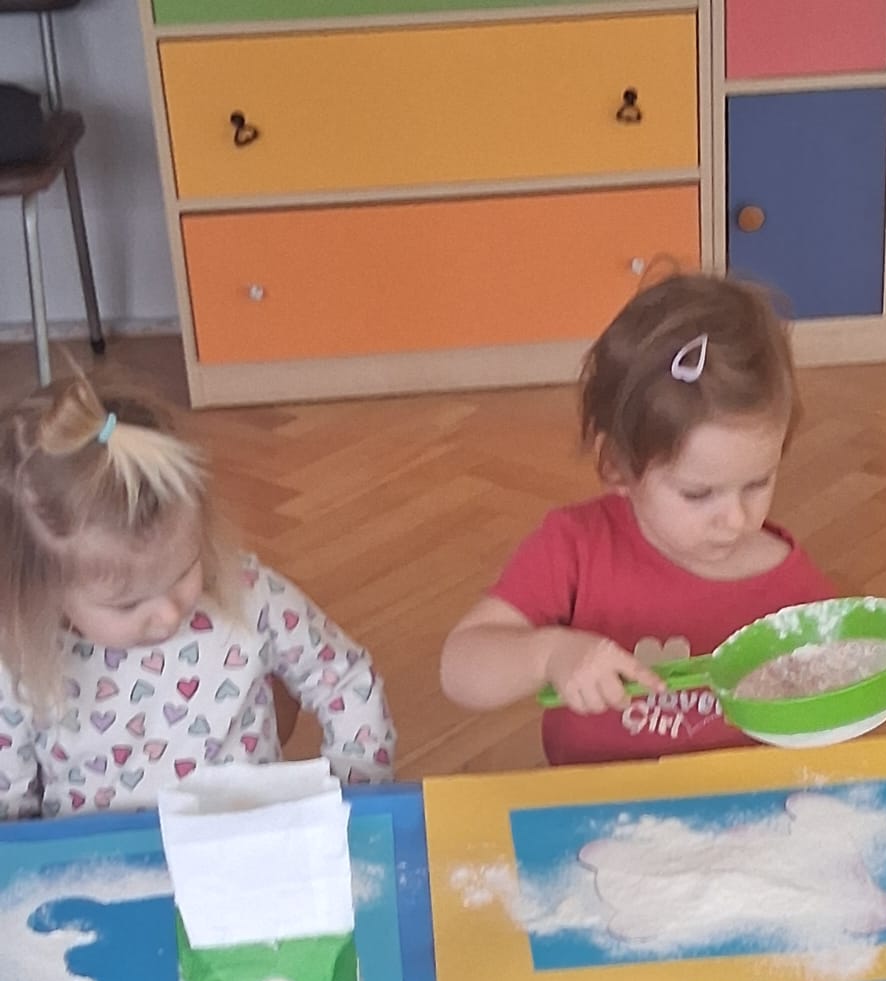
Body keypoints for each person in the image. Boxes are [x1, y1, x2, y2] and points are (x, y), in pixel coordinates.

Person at [440, 271, 836, 765]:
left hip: (741, 801)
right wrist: (549, 655)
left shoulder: (794, 586)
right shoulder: (575, 548)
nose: (736, 519)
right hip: (595, 798)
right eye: (697, 494)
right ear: (617, 467)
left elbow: (830, 717)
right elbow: (461, 667)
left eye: (758, 483)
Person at [0, 374, 395, 817]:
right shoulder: (17, 658)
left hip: (247, 839)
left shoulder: (249, 594)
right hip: (97, 854)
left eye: (184, 571)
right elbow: (8, 803)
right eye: (128, 604)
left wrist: (355, 797)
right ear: (40, 588)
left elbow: (346, 679)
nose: (169, 614)